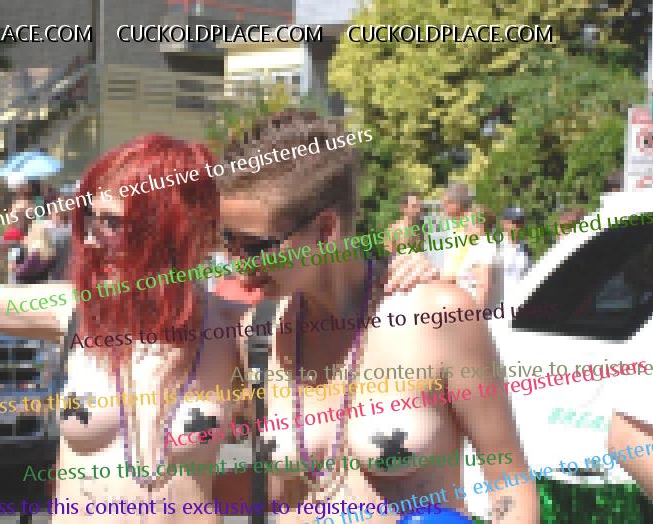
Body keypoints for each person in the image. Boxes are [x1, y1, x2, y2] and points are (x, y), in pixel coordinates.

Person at [0, 135, 245, 524]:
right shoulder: (73, 310)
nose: (91, 240)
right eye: (89, 219)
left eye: (111, 222)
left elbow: (285, 472)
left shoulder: (237, 329)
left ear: (175, 227)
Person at [217, 110, 539, 522]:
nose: (237, 263)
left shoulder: (437, 317)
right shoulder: (258, 332)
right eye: (227, 239)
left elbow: (509, 481)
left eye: (254, 246)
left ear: (325, 230)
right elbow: (277, 492)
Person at [498, 207, 531, 307]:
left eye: (519, 222)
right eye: (513, 222)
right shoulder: (494, 245)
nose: (516, 226)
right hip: (497, 304)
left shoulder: (526, 248)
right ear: (503, 223)